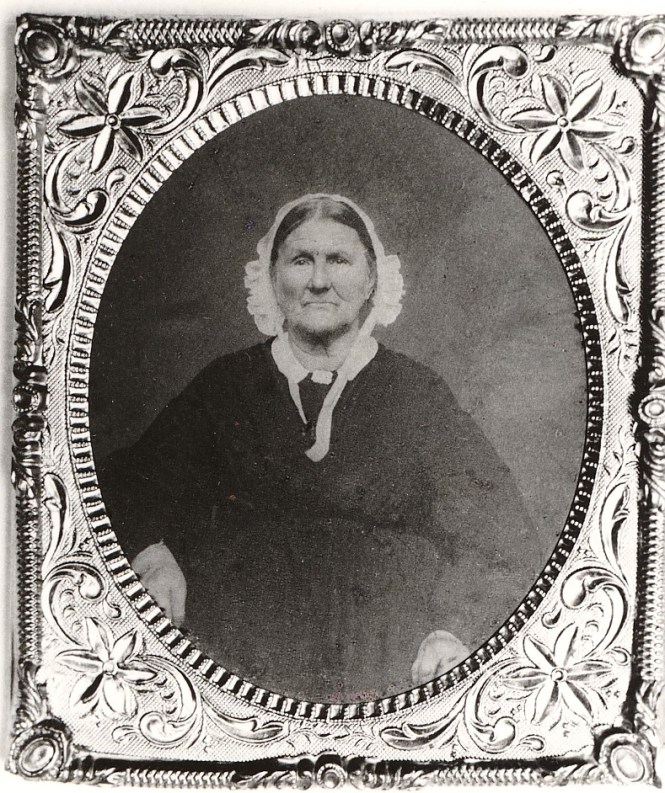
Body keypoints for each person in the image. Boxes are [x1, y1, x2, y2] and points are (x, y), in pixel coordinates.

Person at [98, 194, 542, 703]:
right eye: (301, 260)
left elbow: (498, 535)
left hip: (387, 656)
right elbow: (122, 486)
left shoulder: (416, 394)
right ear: (272, 276)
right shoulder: (227, 384)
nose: (319, 281)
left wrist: (452, 629)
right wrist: (151, 553)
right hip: (240, 652)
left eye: (339, 260)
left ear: (372, 278)